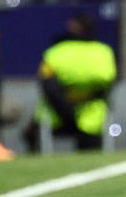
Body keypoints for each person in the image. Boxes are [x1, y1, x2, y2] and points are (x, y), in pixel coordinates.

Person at [25, 13, 117, 152]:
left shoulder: (54, 52)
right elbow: (109, 83)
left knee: (30, 133)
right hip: (92, 116)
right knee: (90, 151)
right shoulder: (104, 52)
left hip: (55, 116)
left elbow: (48, 86)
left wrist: (67, 110)